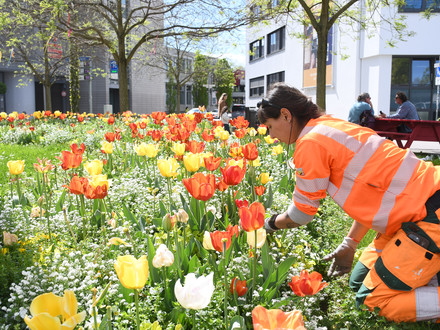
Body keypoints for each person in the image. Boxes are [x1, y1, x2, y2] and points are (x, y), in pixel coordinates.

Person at [258, 82, 440, 323]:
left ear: (285, 115)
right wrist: (350, 243)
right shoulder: (330, 125)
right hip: (413, 209)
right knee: (358, 282)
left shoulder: (310, 143)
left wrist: (267, 225)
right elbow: (374, 192)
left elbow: (302, 214)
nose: (270, 135)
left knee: (373, 301)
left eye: (270, 126)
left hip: (427, 219)